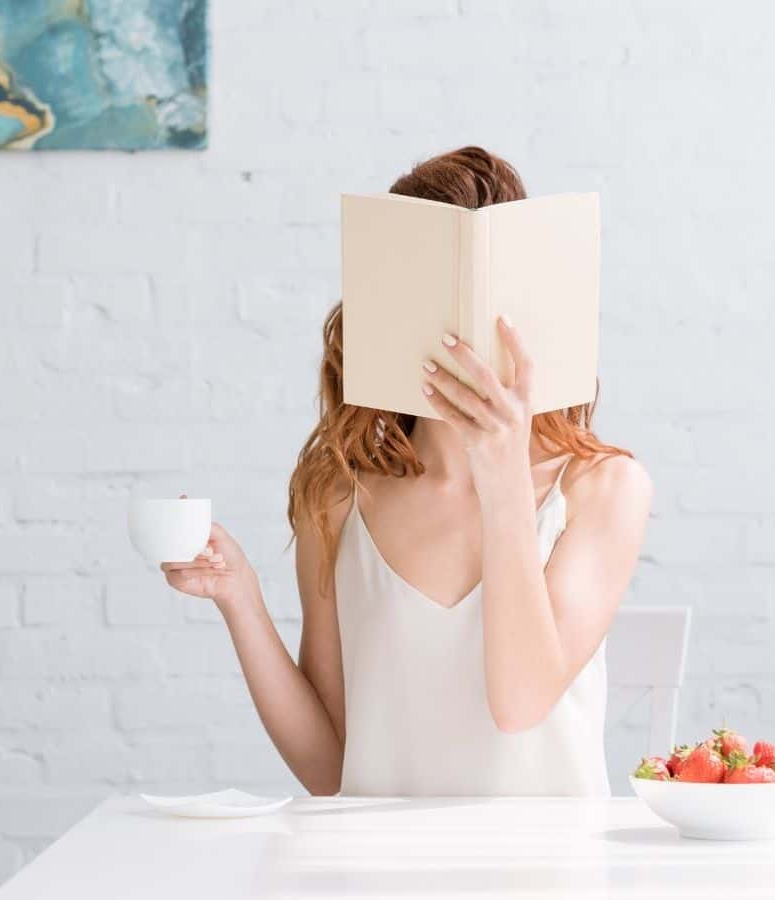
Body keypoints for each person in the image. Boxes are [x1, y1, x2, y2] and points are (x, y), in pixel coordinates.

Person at [161, 146, 652, 797]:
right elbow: (329, 766)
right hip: (377, 872)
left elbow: (521, 703)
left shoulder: (603, 489)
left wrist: (502, 478)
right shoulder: (338, 497)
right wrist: (242, 601)